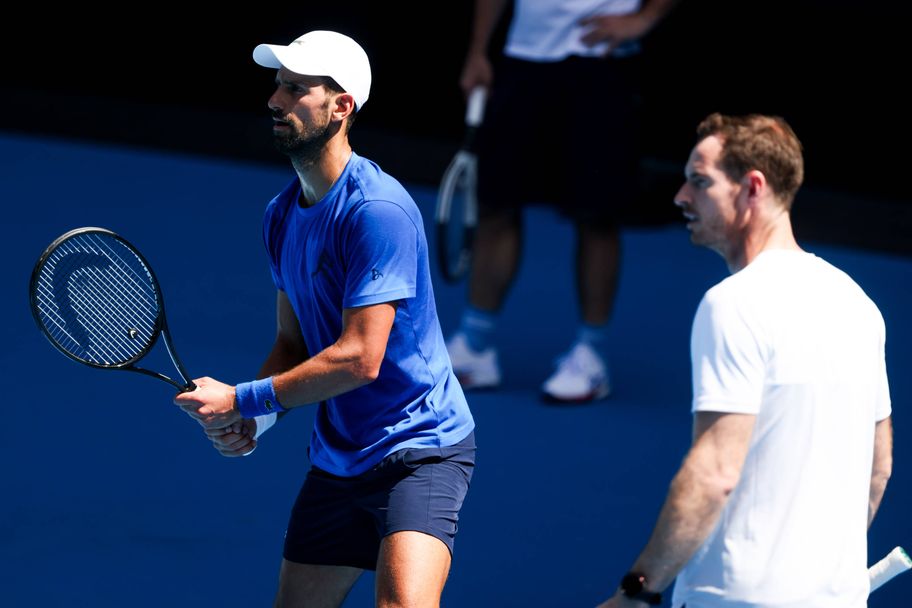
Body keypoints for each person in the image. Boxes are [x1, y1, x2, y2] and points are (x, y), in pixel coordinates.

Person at [173, 30, 476, 608]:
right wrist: (256, 422)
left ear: (342, 107)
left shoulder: (378, 212)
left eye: (295, 89)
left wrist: (245, 399)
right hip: (340, 455)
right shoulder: (281, 214)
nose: (275, 101)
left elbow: (362, 358)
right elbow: (293, 339)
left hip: (422, 448)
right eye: (276, 86)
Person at [596, 113, 893, 607]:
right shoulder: (859, 304)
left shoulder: (732, 304)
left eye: (700, 182)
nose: (681, 197)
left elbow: (714, 474)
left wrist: (637, 591)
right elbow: (878, 468)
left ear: (752, 188)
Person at [446, 0, 681, 402]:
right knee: (496, 206)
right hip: (523, 59)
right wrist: (478, 50)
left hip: (602, 65)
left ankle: (591, 356)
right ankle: (474, 348)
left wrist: (644, 18)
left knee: (596, 214)